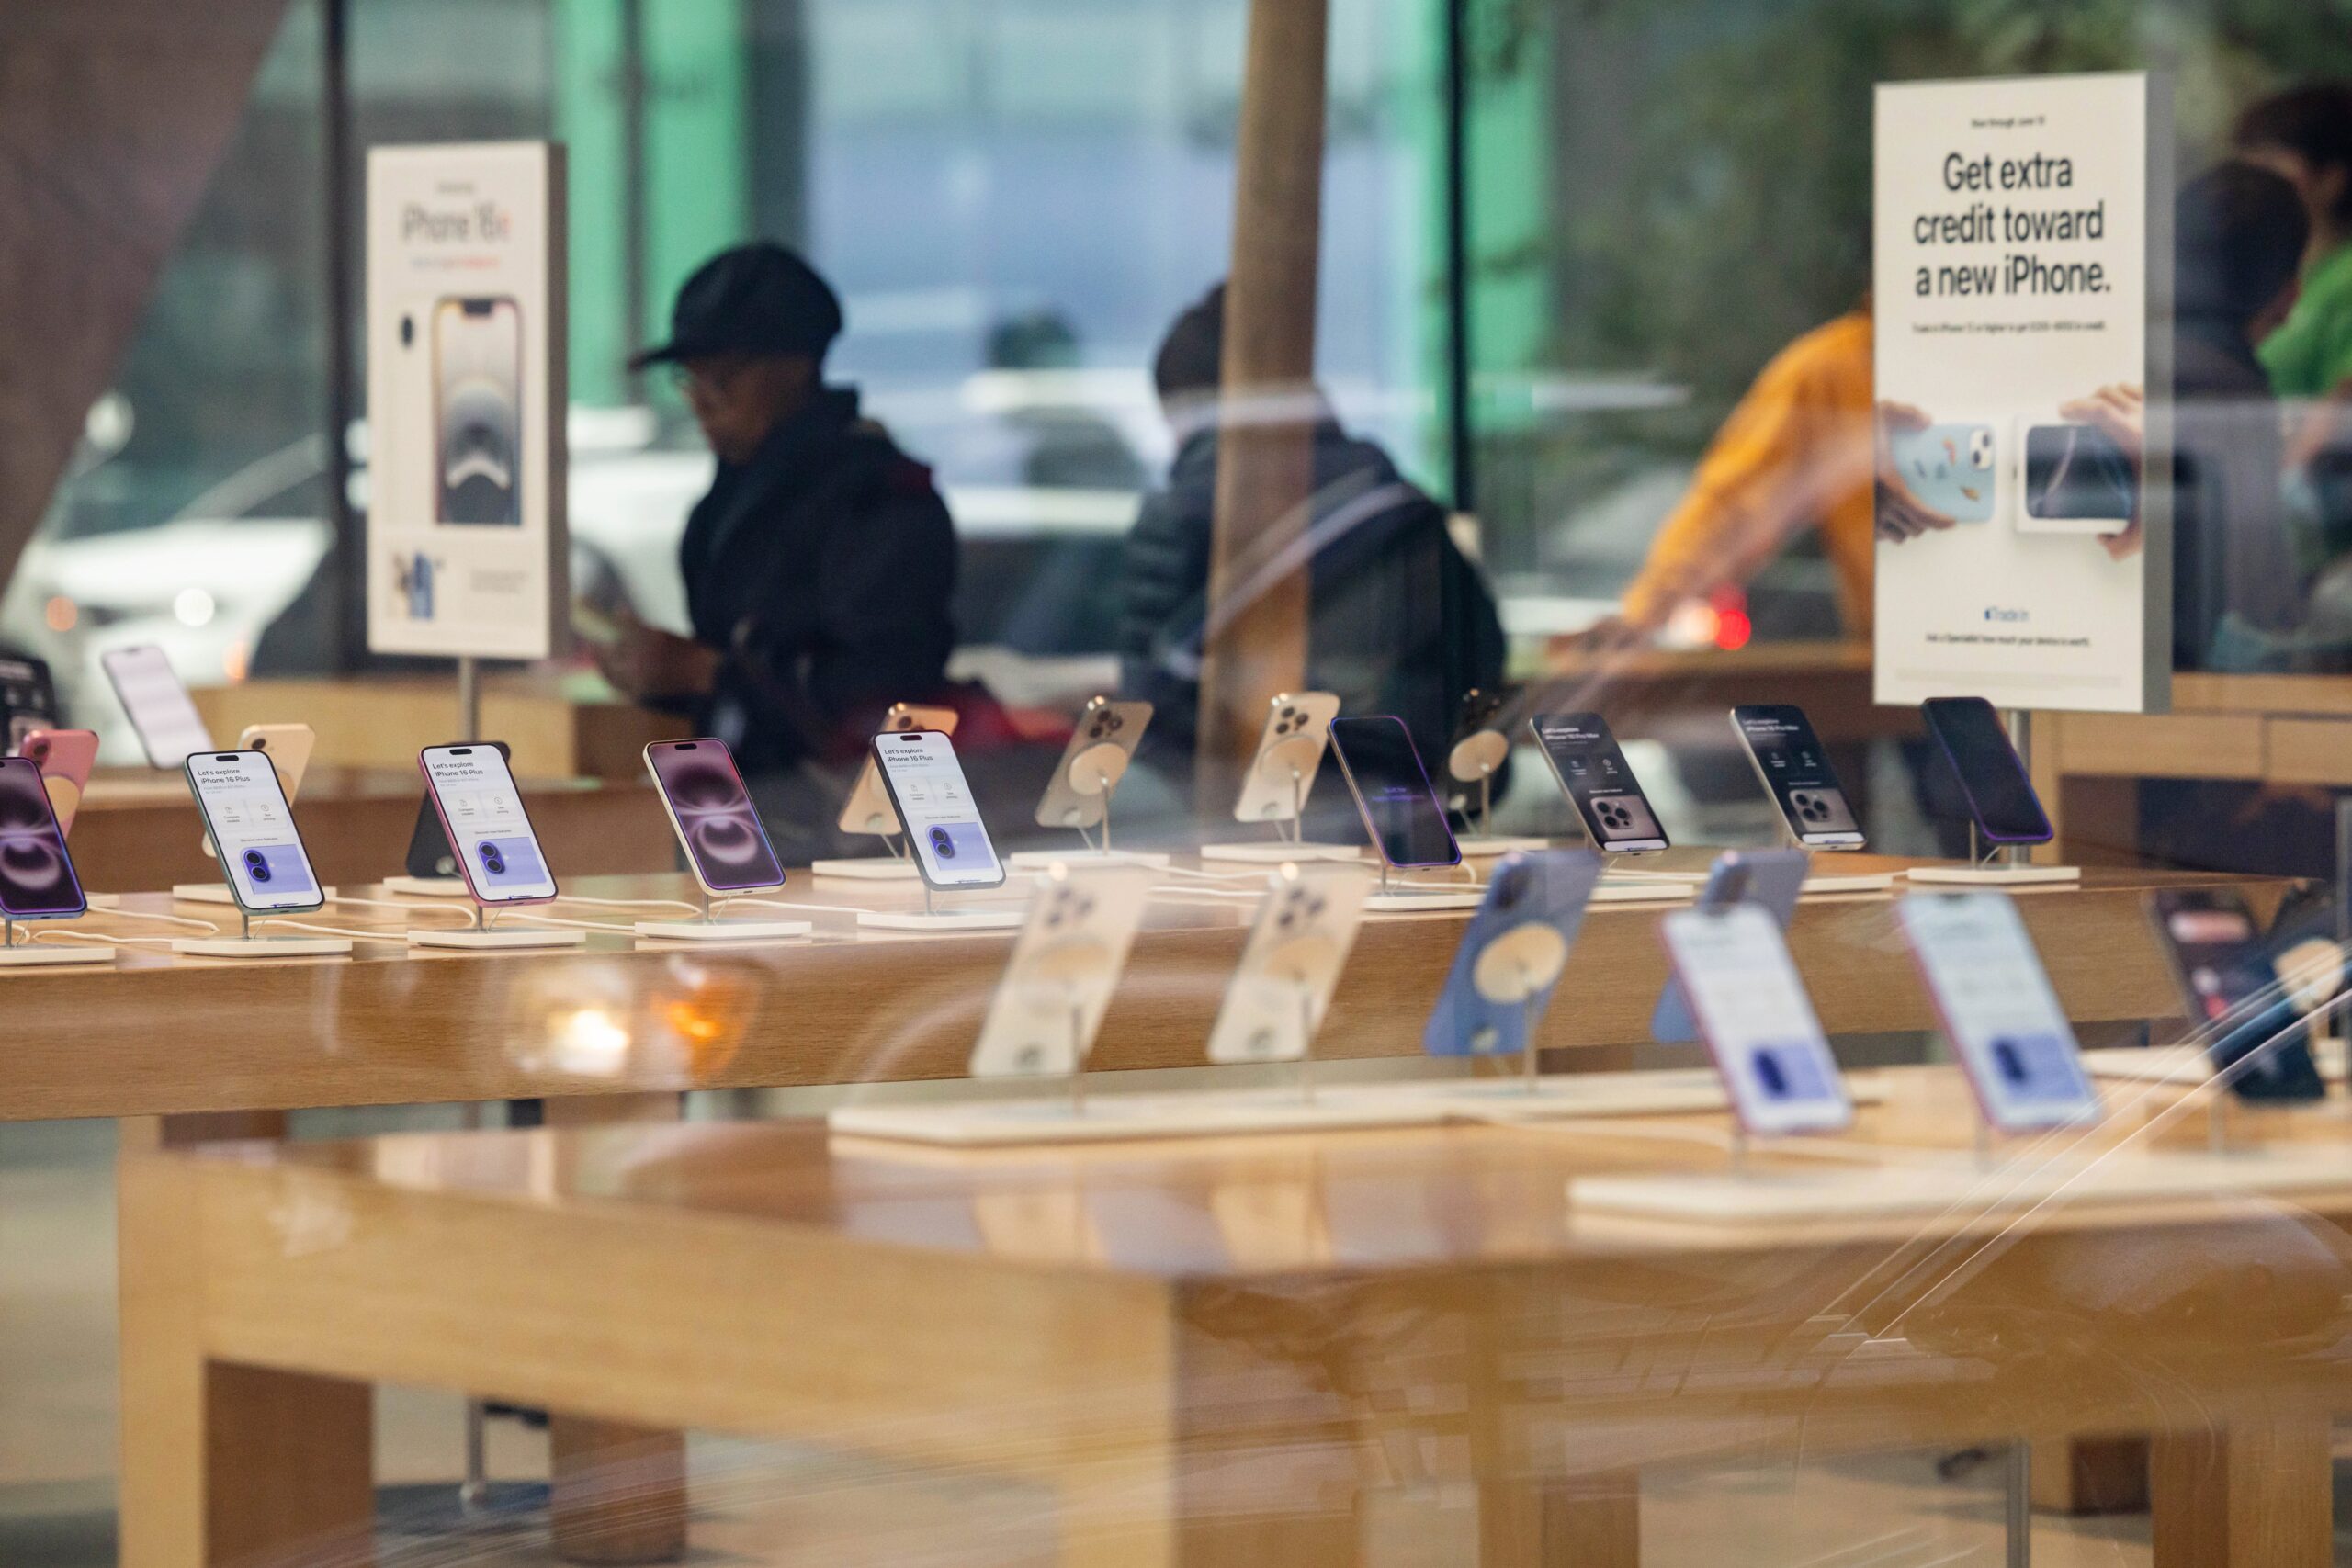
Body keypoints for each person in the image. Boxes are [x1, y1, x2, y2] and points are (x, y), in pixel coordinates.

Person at [594, 244, 959, 833]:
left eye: (723, 375)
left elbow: (885, 695)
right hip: (737, 819)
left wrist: (703, 673)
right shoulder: (728, 500)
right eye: (688, 376)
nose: (699, 398)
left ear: (795, 367)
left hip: (846, 839)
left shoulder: (880, 498)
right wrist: (658, 671)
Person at [1115, 282, 1505, 790]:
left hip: (1251, 808)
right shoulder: (1395, 502)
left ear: (1182, 409)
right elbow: (1482, 658)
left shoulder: (1179, 517)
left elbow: (1151, 709)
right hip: (1418, 795)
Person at [2234, 84, 2352, 400]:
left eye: (2271, 166)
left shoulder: (2344, 279)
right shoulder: (2258, 269)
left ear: (2331, 179)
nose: (2248, 182)